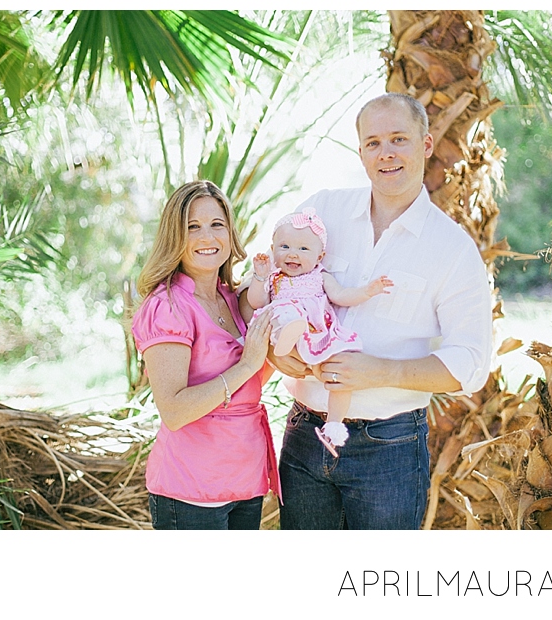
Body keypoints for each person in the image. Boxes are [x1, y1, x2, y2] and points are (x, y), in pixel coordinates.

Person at [269, 93, 493, 529]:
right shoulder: (321, 212)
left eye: (398, 139)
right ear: (360, 152)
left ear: (426, 145)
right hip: (303, 438)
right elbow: (269, 288)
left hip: (388, 450)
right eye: (373, 143)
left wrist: (381, 372)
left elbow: (472, 364)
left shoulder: (452, 249)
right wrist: (279, 356)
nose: (386, 153)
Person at [131, 180, 279, 530]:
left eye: (217, 224)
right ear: (175, 237)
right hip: (191, 491)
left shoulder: (230, 299)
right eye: (192, 227)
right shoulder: (167, 307)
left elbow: (249, 385)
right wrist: (247, 365)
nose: (207, 237)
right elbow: (175, 411)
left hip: (244, 481)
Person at [246, 207, 393, 456]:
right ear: (273, 250)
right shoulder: (274, 278)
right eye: (285, 247)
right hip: (286, 333)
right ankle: (288, 333)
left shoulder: (320, 277)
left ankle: (334, 425)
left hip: (317, 335)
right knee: (284, 313)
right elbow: (256, 303)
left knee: (338, 376)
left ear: (320, 255)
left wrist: (368, 290)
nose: (293, 254)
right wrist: (260, 278)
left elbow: (342, 296)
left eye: (303, 249)